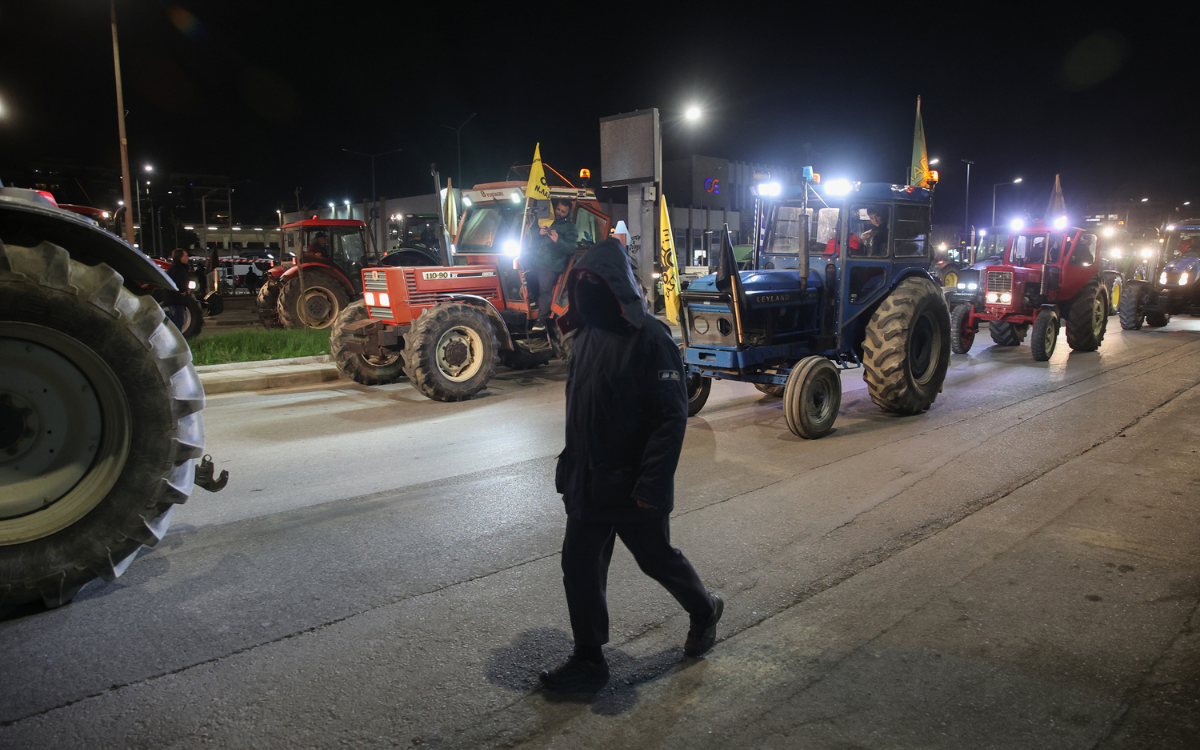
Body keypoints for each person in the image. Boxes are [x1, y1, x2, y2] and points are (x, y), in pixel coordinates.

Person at [539, 238, 723, 693]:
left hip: (635, 484)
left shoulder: (652, 339)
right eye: (581, 283)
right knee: (578, 565)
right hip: (589, 482)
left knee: (656, 560)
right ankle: (589, 659)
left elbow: (670, 418)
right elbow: (578, 412)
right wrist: (570, 467)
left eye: (594, 282)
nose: (586, 292)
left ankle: (704, 610)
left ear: (615, 286)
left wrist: (652, 484)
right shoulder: (582, 340)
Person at [527, 199, 579, 331]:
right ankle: (531, 301)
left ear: (568, 213)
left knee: (545, 290)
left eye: (563, 211)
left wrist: (557, 240)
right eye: (558, 209)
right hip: (535, 259)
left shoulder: (571, 228)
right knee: (525, 278)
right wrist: (539, 233)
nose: (559, 213)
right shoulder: (545, 221)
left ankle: (541, 321)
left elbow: (570, 248)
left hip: (552, 264)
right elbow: (529, 233)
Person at [164, 248, 191, 332]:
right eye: (186, 256)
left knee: (175, 321)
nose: (188, 258)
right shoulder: (178, 268)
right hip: (176, 299)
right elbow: (178, 280)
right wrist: (182, 291)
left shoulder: (176, 267)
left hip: (174, 299)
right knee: (178, 322)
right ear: (180, 257)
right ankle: (176, 342)